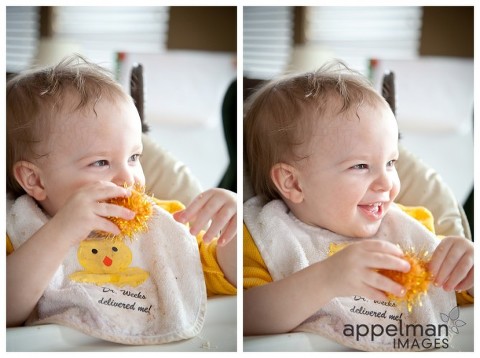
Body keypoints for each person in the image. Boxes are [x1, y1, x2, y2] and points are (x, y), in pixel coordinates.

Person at [243, 62, 473, 351]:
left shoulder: (411, 229)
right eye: (361, 166)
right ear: (293, 183)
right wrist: (327, 279)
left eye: (391, 163)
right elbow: (244, 316)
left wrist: (466, 267)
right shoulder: (264, 238)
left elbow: (458, 299)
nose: (386, 183)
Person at [6, 56, 237, 344]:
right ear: (35, 180)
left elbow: (229, 277)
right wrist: (61, 230)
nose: (129, 179)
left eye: (134, 157)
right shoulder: (16, 231)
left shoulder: (167, 222)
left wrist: (234, 226)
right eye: (101, 162)